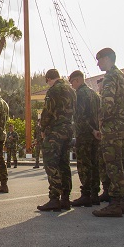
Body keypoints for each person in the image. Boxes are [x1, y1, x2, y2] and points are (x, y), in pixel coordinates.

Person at [92, 48, 124, 218]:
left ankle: (115, 203)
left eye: (99, 59)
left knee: (113, 164)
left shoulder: (110, 76)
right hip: (123, 125)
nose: (98, 63)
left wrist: (100, 122)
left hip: (112, 126)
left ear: (108, 58)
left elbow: (107, 102)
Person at [36, 70, 75, 211]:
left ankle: (54, 198)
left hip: (55, 131)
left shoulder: (53, 91)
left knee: (51, 163)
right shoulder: (71, 90)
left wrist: (43, 128)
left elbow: (47, 111)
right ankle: (65, 198)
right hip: (68, 129)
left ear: (49, 79)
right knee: (64, 164)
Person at [70, 70, 101, 207]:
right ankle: (95, 193)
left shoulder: (80, 94)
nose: (72, 85)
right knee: (94, 163)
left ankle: (86, 194)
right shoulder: (94, 94)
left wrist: (90, 130)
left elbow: (80, 117)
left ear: (77, 80)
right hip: (96, 134)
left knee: (84, 164)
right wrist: (97, 130)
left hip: (85, 134)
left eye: (72, 82)